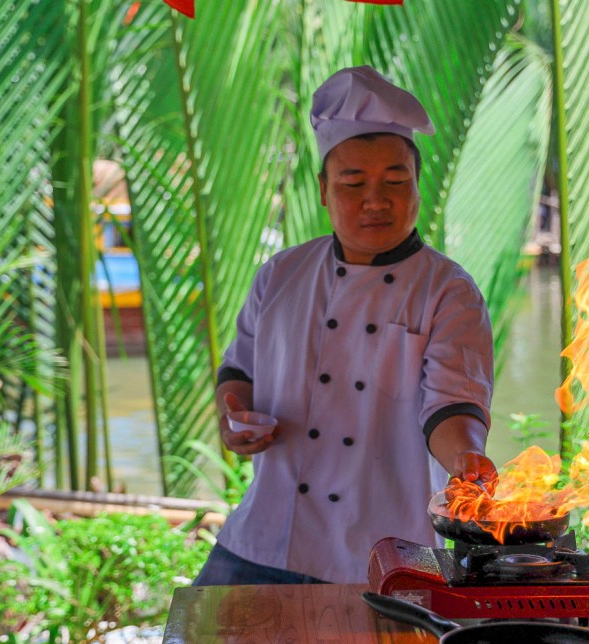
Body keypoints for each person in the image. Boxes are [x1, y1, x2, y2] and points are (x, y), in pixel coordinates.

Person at [193, 65, 497, 586]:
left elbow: (452, 405)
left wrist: (467, 459)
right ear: (322, 190)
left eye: (395, 182)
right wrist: (233, 416)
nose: (374, 201)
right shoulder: (281, 275)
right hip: (266, 534)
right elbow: (238, 368)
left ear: (417, 187)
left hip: (385, 549)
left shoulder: (449, 290)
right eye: (353, 182)